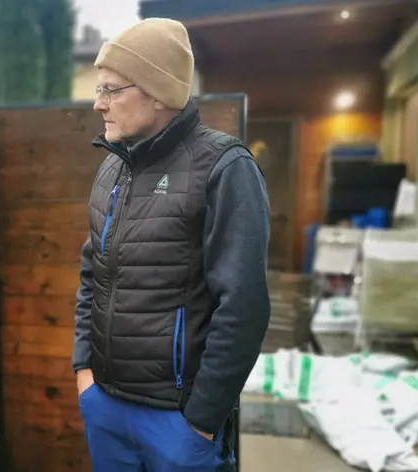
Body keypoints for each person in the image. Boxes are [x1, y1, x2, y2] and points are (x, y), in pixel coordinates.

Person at [72, 18, 272, 471]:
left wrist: (201, 420)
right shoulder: (112, 168)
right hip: (105, 406)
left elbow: (243, 307)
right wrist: (85, 371)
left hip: (178, 423)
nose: (99, 104)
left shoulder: (225, 168)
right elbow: (93, 275)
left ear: (157, 92)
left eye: (111, 90)